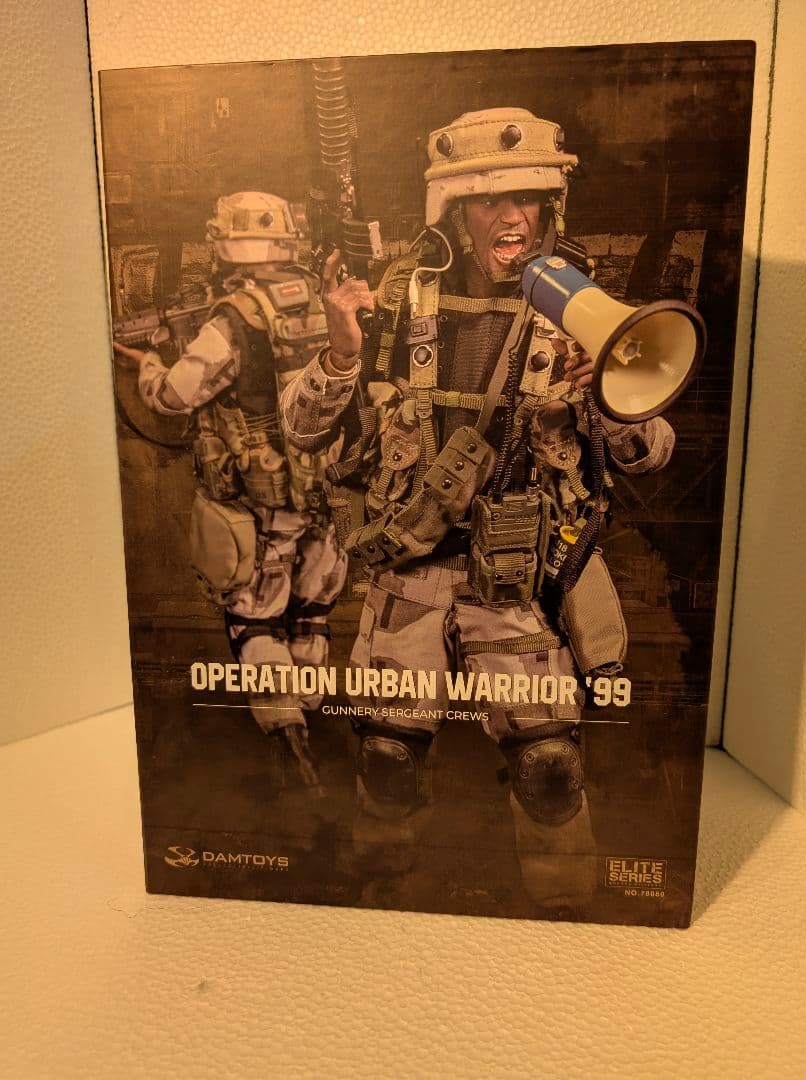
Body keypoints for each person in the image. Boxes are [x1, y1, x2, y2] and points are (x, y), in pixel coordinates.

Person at [280, 110, 675, 910]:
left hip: (519, 580)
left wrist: (607, 396)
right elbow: (301, 430)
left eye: (527, 198)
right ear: (454, 213)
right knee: (386, 759)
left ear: (550, 207)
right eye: (489, 201)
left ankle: (567, 921)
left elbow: (651, 455)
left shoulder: (585, 310)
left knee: (549, 768)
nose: (511, 217)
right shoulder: (392, 302)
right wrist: (341, 353)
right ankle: (377, 910)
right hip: (409, 572)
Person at [114, 191, 347, 794]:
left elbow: (175, 397)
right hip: (322, 490)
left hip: (260, 498)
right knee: (311, 616)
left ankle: (289, 742)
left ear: (227, 243)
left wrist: (147, 364)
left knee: (255, 621)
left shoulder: (234, 318)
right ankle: (313, 721)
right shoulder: (320, 298)